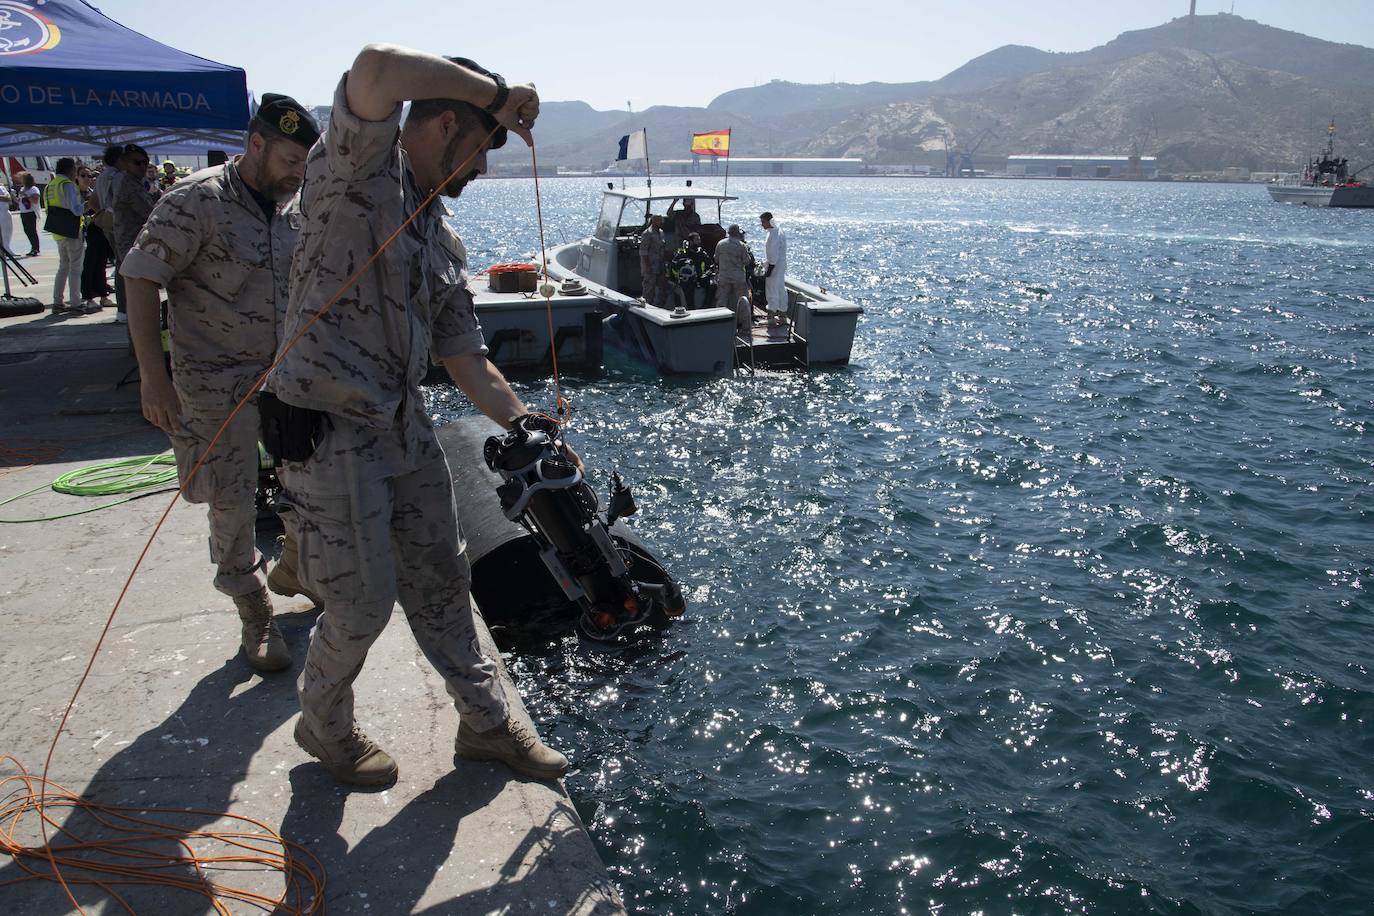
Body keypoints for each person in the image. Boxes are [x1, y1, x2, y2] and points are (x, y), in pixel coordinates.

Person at [268, 44, 570, 787]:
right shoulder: (355, 172)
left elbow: (469, 358)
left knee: (442, 582)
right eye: (480, 148)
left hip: (405, 429)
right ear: (441, 125)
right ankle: (324, 726)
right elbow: (374, 68)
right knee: (361, 606)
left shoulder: (441, 234)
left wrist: (526, 423)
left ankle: (487, 728)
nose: (482, 170)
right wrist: (500, 93)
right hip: (330, 436)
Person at [121, 96, 321, 675]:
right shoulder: (195, 202)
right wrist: (153, 379)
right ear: (255, 145)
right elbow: (138, 280)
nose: (297, 172)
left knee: (311, 482)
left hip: (285, 379)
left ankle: (292, 566)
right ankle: (251, 605)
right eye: (289, 158)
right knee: (229, 496)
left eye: (304, 162)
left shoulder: (294, 206)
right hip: (213, 381)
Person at [110, 144, 156, 324]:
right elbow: (150, 213)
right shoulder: (128, 184)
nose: (143, 166)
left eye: (145, 162)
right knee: (138, 303)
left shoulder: (136, 182)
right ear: (125, 163)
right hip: (131, 247)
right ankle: (137, 347)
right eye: (137, 163)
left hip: (134, 245)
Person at [45, 158, 93, 315]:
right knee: (75, 268)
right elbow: (76, 210)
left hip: (58, 231)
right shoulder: (67, 185)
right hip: (72, 230)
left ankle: (57, 302)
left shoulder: (50, 185)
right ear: (71, 170)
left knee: (63, 267)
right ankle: (75, 302)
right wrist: (89, 204)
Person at [78, 165, 113, 308]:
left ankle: (103, 295)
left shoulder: (92, 191)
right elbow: (84, 208)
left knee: (101, 264)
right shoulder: (76, 192)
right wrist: (99, 212)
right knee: (89, 265)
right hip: (86, 231)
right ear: (77, 177)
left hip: (100, 229)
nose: (88, 178)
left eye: (90, 176)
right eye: (83, 175)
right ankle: (88, 297)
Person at [715, 223, 752, 336]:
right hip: (738, 278)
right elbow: (747, 261)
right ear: (737, 233)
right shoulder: (741, 245)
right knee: (743, 302)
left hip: (724, 277)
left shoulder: (720, 244)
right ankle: (745, 328)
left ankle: (719, 326)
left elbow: (716, 259)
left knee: (722, 301)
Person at [670, 231, 711, 309]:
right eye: (697, 240)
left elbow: (710, 265)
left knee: (712, 286)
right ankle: (689, 308)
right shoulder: (682, 252)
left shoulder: (701, 252)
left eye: (699, 240)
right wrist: (681, 262)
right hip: (686, 279)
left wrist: (706, 274)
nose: (699, 242)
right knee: (687, 287)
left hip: (699, 277)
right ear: (691, 241)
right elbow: (673, 265)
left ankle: (706, 306)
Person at [761, 211, 788, 327]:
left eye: (763, 222)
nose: (762, 225)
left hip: (775, 265)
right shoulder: (779, 231)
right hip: (781, 265)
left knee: (771, 289)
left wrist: (769, 270)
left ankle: (771, 318)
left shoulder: (773, 234)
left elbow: (772, 254)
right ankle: (782, 316)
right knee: (781, 289)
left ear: (768, 221)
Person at [638, 213, 669, 306]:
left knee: (663, 289)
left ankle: (660, 307)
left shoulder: (661, 233)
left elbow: (663, 248)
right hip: (651, 266)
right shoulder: (647, 233)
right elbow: (643, 252)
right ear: (654, 221)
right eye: (659, 220)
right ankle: (646, 307)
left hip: (660, 266)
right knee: (649, 290)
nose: (661, 222)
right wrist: (647, 266)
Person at [17, 172, 41, 257]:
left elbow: (35, 200)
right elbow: (20, 201)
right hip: (23, 212)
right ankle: (33, 247)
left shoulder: (34, 189)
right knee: (27, 230)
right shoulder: (22, 189)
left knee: (32, 230)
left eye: (22, 179)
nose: (21, 180)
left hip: (31, 212)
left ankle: (36, 248)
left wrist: (26, 195)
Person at [0, 178, 12, 256]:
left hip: (5, 211)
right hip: (1, 212)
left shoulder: (2, 187)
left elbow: (8, 198)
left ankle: (7, 248)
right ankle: (5, 250)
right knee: (4, 232)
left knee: (8, 231)